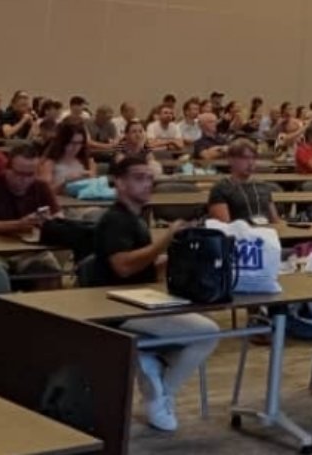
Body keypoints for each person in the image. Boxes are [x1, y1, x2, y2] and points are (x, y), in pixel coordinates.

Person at [85, 156, 219, 432]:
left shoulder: (137, 219)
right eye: (138, 178)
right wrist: (166, 239)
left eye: (149, 178)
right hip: (117, 306)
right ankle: (160, 394)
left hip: (141, 298)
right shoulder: (115, 220)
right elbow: (123, 267)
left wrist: (179, 254)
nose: (147, 183)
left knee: (202, 327)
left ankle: (154, 372)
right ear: (119, 183)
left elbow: (144, 265)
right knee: (207, 333)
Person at [0, 148, 64, 288]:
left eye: (30, 174)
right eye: (19, 174)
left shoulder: (41, 186)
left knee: (49, 272)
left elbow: (59, 218)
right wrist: (19, 224)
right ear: (7, 169)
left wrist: (48, 223)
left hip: (28, 251)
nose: (24, 180)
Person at [206, 139, 281, 224]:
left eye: (253, 158)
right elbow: (223, 226)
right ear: (231, 160)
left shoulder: (263, 186)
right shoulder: (220, 189)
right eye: (245, 158)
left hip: (266, 230)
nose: (250, 163)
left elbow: (275, 220)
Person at [38, 122, 95, 195]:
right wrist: (65, 183)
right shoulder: (49, 163)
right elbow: (44, 192)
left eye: (79, 143)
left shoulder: (87, 161)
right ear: (63, 142)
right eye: (72, 143)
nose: (75, 147)